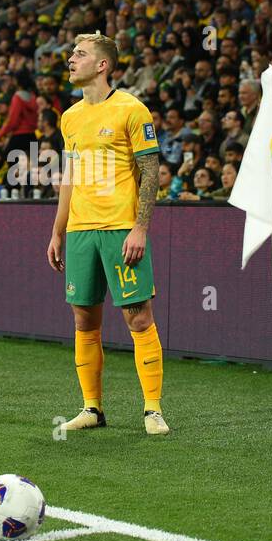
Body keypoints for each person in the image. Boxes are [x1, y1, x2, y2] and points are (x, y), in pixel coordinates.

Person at [47, 32, 168, 436]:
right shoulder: (70, 117)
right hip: (80, 230)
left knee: (137, 317)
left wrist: (141, 226)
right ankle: (92, 408)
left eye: (79, 54)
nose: (70, 59)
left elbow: (151, 171)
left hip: (120, 228)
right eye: (71, 53)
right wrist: (58, 230)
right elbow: (68, 176)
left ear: (102, 64)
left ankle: (152, 409)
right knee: (83, 318)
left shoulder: (132, 110)